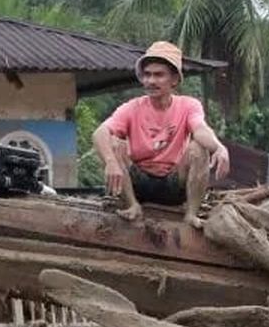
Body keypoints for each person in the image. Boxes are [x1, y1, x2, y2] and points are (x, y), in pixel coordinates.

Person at [92, 41, 231, 229]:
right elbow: (100, 133)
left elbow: (200, 130)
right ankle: (133, 206)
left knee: (199, 148)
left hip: (173, 183)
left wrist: (219, 147)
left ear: (174, 79)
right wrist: (110, 161)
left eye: (158, 75)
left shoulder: (188, 105)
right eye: (147, 75)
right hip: (138, 183)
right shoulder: (132, 108)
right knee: (115, 143)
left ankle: (191, 214)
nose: (151, 81)